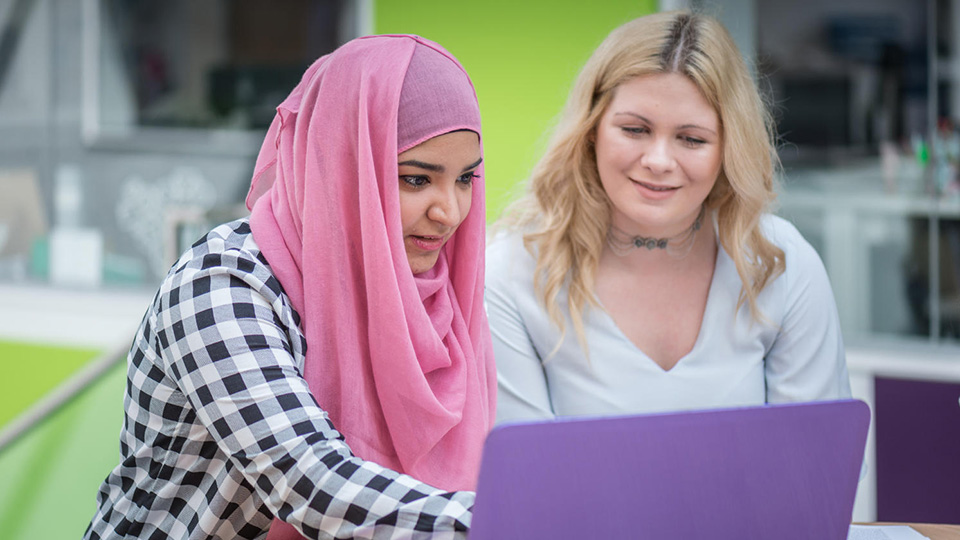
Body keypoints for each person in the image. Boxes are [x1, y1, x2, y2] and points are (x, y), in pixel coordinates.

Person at [84, 35, 496, 540]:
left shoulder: (432, 291)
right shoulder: (222, 287)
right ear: (343, 163)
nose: (449, 213)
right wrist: (511, 519)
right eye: (415, 179)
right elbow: (313, 485)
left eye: (465, 180)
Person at [486, 11, 851, 423]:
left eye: (691, 139)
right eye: (635, 130)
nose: (658, 161)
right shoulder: (511, 271)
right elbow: (526, 477)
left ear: (729, 147)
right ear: (592, 129)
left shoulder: (781, 262)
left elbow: (818, 468)